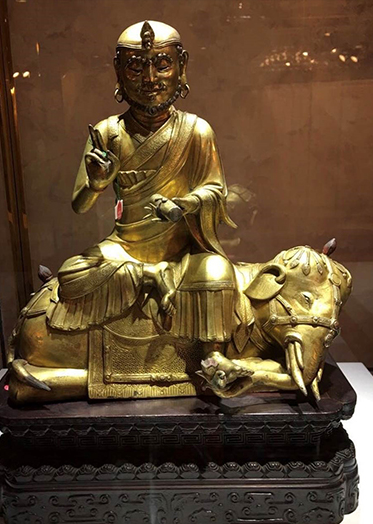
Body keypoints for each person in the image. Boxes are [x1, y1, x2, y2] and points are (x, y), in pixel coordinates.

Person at [50, 20, 237, 345]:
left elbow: (215, 191)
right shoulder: (108, 133)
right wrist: (96, 184)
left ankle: (213, 358)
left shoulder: (197, 131)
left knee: (218, 272)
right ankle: (149, 276)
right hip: (124, 249)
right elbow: (79, 205)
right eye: (136, 68)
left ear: (182, 67)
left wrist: (183, 205)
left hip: (182, 253)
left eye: (162, 65)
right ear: (118, 71)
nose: (150, 79)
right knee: (71, 274)